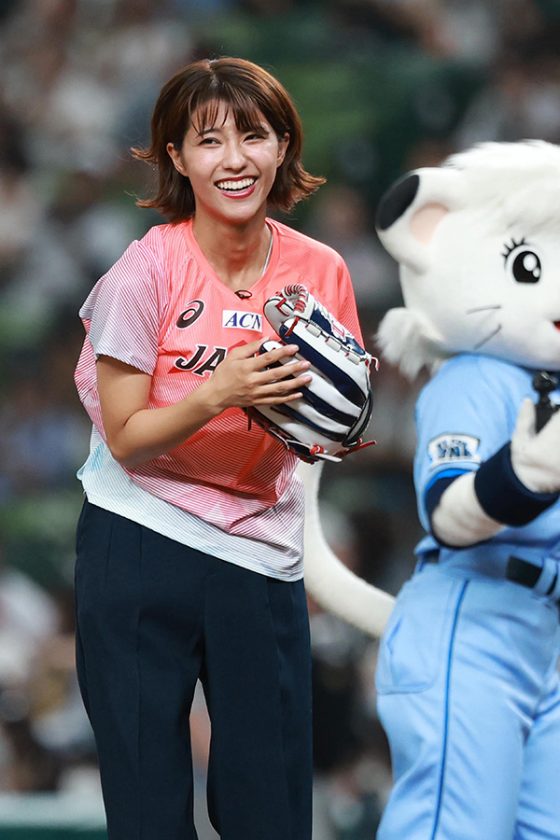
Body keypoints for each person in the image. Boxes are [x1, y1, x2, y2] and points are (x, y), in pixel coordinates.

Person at [73, 56, 368, 840]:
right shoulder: (145, 270)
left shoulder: (322, 271)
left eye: (254, 136)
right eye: (209, 141)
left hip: (259, 554)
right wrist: (218, 391)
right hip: (139, 538)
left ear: (283, 146)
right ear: (176, 157)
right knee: (147, 811)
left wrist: (331, 430)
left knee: (271, 811)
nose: (234, 159)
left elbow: (330, 429)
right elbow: (127, 439)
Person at [373, 140, 560, 840]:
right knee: (456, 827)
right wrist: (522, 476)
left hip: (547, 632)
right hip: (473, 618)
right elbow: (449, 515)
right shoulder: (477, 377)